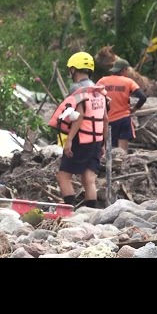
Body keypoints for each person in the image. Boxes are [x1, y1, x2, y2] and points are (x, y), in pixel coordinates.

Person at [49, 52, 109, 209]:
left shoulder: (77, 89)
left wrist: (69, 140)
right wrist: (103, 142)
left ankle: (70, 211)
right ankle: (91, 213)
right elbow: (105, 119)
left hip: (81, 139)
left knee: (63, 176)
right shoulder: (99, 90)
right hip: (95, 140)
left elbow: (79, 115)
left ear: (73, 69)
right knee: (88, 178)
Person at [96, 58, 147, 152]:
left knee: (108, 149)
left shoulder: (102, 81)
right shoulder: (128, 82)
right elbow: (143, 97)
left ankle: (108, 165)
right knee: (122, 151)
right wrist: (134, 109)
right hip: (123, 119)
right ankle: (122, 165)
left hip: (107, 119)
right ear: (124, 70)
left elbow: (94, 96)